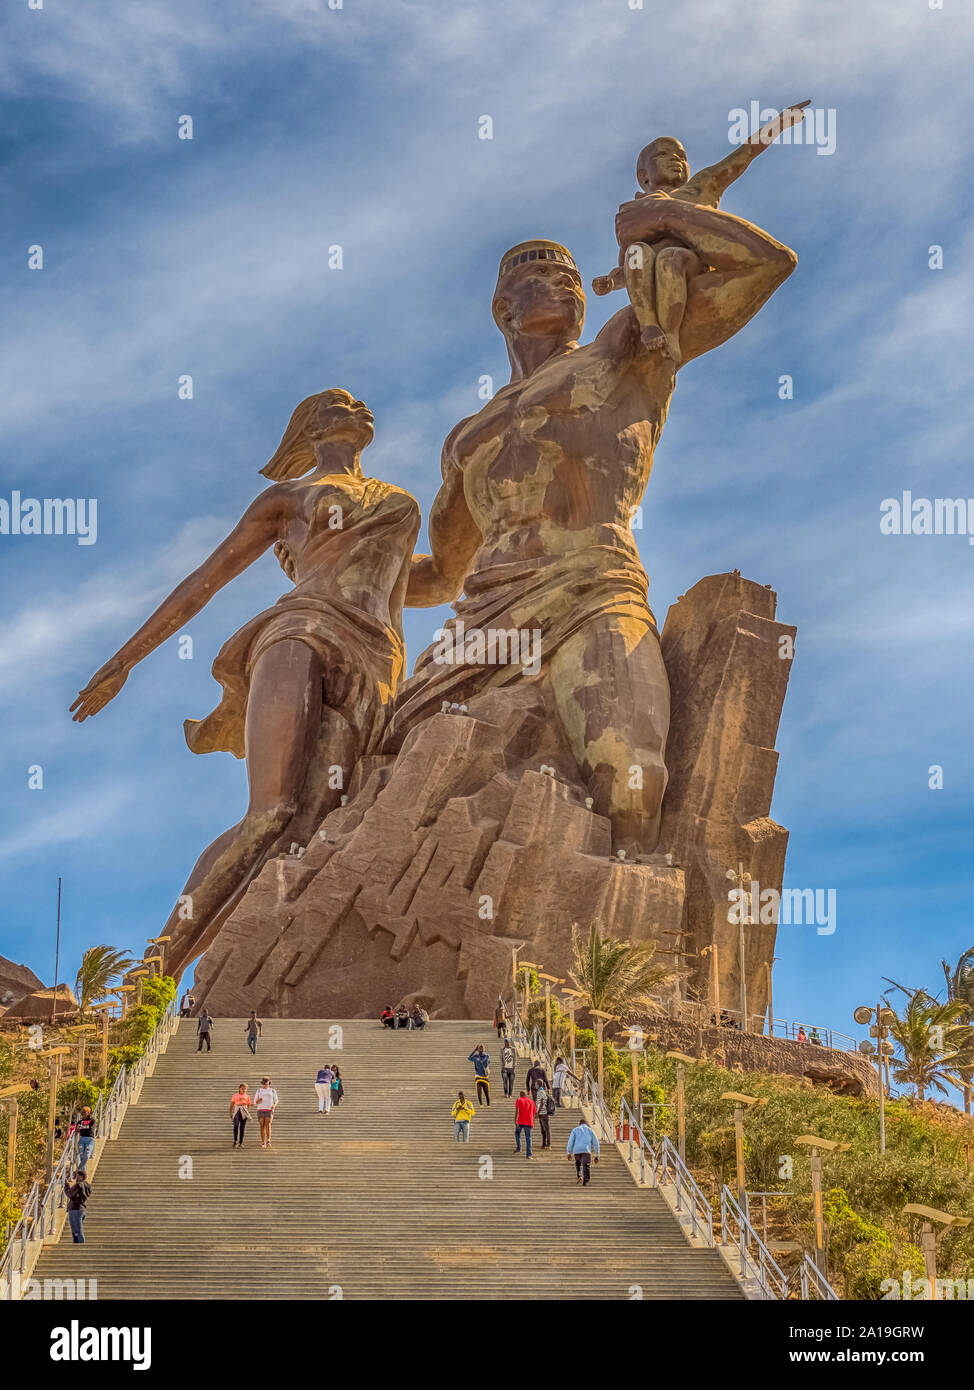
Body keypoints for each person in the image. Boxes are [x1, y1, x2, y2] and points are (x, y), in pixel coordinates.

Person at [70, 390, 421, 981]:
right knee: (272, 812)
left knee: (317, 818)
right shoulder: (289, 498)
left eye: (361, 402)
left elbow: (412, 586)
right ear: (310, 429)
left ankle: (258, 970)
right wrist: (123, 660)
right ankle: (159, 966)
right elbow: (204, 581)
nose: (359, 406)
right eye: (340, 403)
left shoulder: (399, 500)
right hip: (301, 629)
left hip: (377, 656)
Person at [592, 101, 809, 363]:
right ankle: (649, 324)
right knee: (638, 252)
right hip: (646, 273)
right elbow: (627, 262)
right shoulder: (634, 212)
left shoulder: (699, 188)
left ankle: (669, 334)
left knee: (670, 258)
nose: (676, 159)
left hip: (686, 263)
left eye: (681, 156)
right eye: (664, 155)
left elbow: (743, 156)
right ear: (643, 175)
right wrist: (611, 282)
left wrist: (777, 126)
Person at [566, 1117, 601, 1186]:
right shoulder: (590, 1130)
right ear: (587, 1124)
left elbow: (570, 1142)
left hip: (577, 1150)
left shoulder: (575, 1130)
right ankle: (586, 1181)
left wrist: (569, 1152)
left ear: (579, 1124)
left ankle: (579, 1176)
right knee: (586, 1165)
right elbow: (596, 1143)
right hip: (586, 1150)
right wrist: (597, 1154)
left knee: (578, 1163)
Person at [64, 1168, 91, 1243]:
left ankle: (80, 1249)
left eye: (77, 1176)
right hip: (81, 1209)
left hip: (75, 1209)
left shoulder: (79, 1184)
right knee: (77, 1232)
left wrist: (66, 1185)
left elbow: (69, 1194)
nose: (75, 1177)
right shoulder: (87, 1185)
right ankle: (77, 1247)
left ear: (81, 1177)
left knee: (77, 1232)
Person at [253, 1076, 278, 1148]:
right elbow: (255, 1101)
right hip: (260, 1109)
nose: (265, 1085)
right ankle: (263, 1142)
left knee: (268, 1124)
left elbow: (276, 1100)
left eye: (266, 1083)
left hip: (269, 1109)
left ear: (269, 1083)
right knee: (261, 1125)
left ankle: (268, 1140)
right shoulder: (259, 1090)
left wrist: (274, 1105)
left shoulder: (272, 1090)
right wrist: (257, 1101)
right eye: (264, 1083)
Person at [514, 1091, 536, 1159]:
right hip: (528, 1121)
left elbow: (517, 1111)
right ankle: (529, 1155)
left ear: (520, 1095)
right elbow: (534, 1112)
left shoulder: (519, 1100)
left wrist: (515, 1120)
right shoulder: (531, 1102)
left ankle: (519, 1147)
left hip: (520, 1121)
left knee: (517, 1133)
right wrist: (532, 1120)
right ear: (526, 1095)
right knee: (528, 1137)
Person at [229, 1082, 251, 1148]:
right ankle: (235, 1141)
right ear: (239, 1088)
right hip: (237, 1110)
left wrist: (247, 1111)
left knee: (242, 1128)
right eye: (243, 1089)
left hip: (243, 1111)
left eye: (245, 1089)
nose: (244, 1090)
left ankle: (241, 1142)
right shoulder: (235, 1095)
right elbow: (232, 1104)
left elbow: (249, 1104)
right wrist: (230, 1112)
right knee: (236, 1125)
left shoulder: (247, 1096)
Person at [535, 1082, 554, 1150]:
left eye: (536, 1084)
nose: (535, 1085)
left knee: (546, 1129)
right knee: (543, 1130)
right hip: (541, 1113)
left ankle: (548, 1144)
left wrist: (538, 1112)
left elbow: (542, 1102)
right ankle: (543, 1144)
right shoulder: (540, 1091)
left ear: (538, 1085)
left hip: (543, 1113)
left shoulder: (541, 1092)